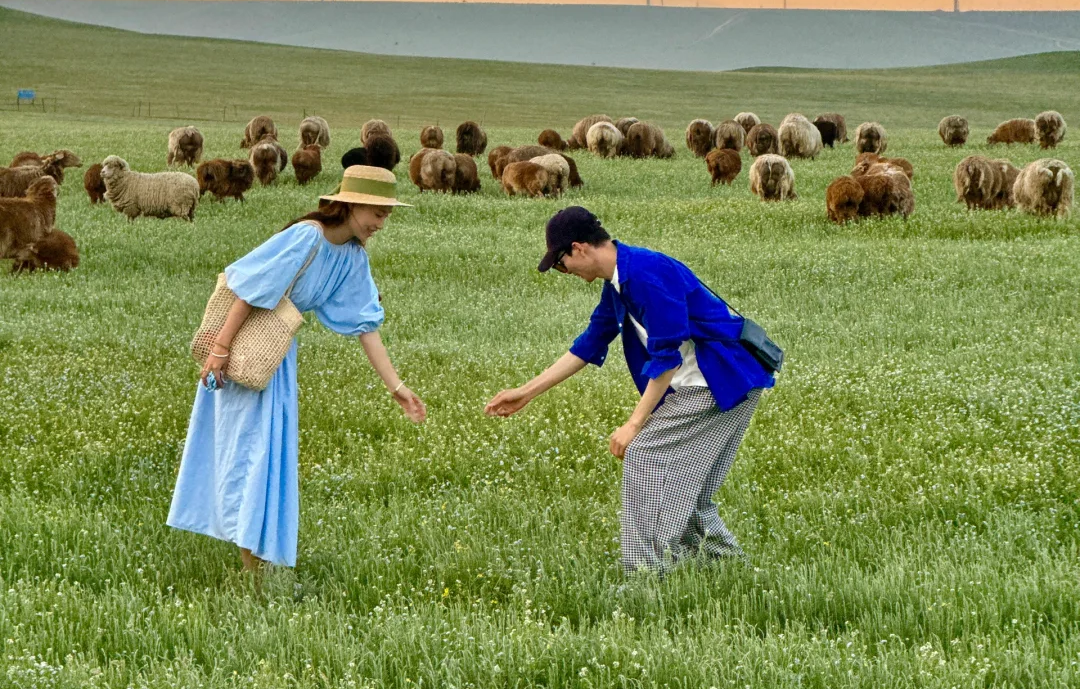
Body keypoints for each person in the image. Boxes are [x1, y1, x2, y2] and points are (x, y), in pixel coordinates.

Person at [485, 207, 778, 574]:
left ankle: (643, 576)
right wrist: (526, 392)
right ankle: (725, 567)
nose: (564, 272)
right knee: (692, 485)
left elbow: (667, 360)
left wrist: (634, 424)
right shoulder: (619, 281)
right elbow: (589, 343)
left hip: (721, 381)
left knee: (643, 457)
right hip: (722, 381)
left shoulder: (645, 274)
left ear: (578, 249)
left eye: (560, 264)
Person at [168, 164, 425, 574]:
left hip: (275, 358)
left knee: (268, 456)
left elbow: (366, 325)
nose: (382, 223)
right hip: (245, 352)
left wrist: (396, 387)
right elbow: (249, 290)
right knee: (248, 454)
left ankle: (259, 556)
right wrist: (219, 350)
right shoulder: (307, 236)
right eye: (378, 213)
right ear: (353, 204)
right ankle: (252, 559)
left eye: (386, 216)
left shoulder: (352, 256)